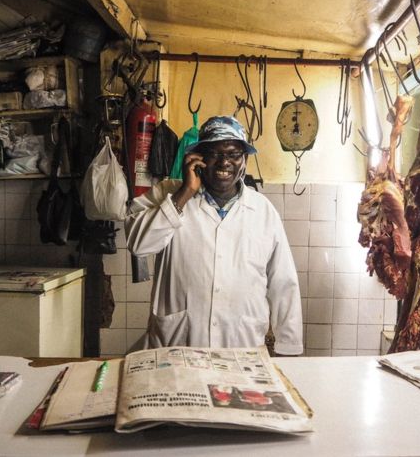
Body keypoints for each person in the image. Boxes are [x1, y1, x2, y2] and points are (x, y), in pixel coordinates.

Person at [124, 115, 303, 355]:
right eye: (215, 154)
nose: (224, 163)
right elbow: (139, 245)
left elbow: (284, 284)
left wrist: (288, 347)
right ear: (198, 158)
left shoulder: (263, 211)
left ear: (245, 160)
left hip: (242, 347)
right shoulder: (167, 193)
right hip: (180, 345)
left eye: (233, 154)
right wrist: (184, 194)